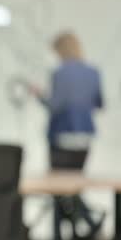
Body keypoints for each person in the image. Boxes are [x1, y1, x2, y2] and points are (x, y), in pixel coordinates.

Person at [31, 31, 103, 169]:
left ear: (61, 50)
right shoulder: (93, 73)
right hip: (84, 136)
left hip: (61, 135)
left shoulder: (60, 73)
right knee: (76, 182)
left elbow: (54, 106)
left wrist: (39, 95)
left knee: (58, 184)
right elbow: (99, 103)